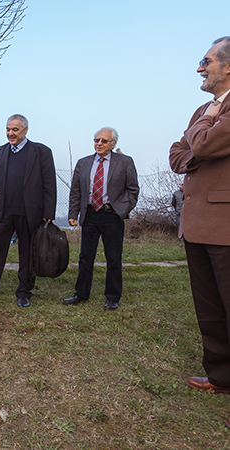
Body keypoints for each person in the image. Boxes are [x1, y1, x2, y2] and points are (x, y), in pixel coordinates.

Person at [169, 37, 230, 425]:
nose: (199, 68)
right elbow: (177, 154)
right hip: (196, 225)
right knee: (209, 308)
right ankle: (221, 375)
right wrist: (199, 142)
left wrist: (203, 132)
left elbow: (203, 143)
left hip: (225, 226)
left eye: (206, 61)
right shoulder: (203, 110)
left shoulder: (209, 113)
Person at [0, 114, 56, 308]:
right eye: (8, 129)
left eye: (15, 129)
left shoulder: (41, 152)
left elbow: (49, 185)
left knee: (27, 254)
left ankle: (24, 292)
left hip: (30, 212)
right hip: (4, 211)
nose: (10, 133)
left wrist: (48, 213)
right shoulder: (1, 151)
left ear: (25, 130)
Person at [63, 127, 139, 310]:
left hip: (112, 215)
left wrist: (122, 209)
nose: (99, 144)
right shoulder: (83, 163)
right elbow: (76, 191)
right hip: (89, 214)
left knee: (113, 257)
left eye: (104, 141)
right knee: (85, 256)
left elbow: (133, 190)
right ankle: (81, 294)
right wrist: (73, 214)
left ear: (113, 143)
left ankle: (112, 297)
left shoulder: (125, 162)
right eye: (97, 140)